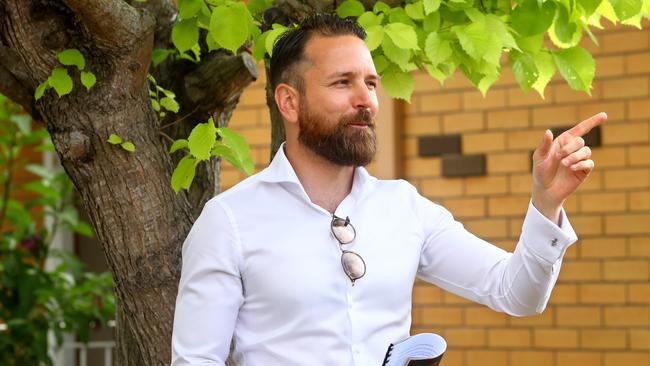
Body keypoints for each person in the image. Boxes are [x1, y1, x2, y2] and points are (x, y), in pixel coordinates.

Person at [170, 13, 606, 366]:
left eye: (371, 83)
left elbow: (517, 294)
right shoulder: (229, 222)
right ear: (289, 102)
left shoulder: (406, 207)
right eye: (343, 83)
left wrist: (546, 202)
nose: (367, 100)